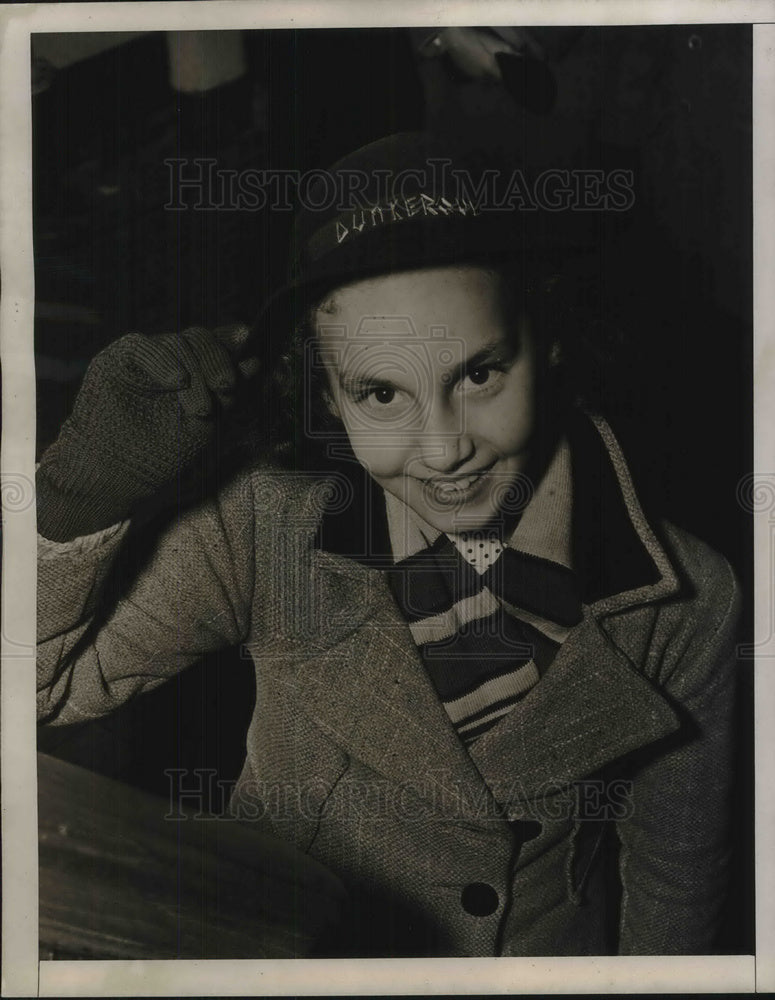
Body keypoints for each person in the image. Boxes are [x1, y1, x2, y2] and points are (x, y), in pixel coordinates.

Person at [36, 132, 741, 957]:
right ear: (329, 397)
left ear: (547, 343)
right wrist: (75, 497)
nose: (441, 448)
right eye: (380, 392)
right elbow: (43, 690)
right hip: (297, 958)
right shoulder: (263, 530)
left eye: (479, 374)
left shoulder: (685, 596)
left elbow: (676, 872)